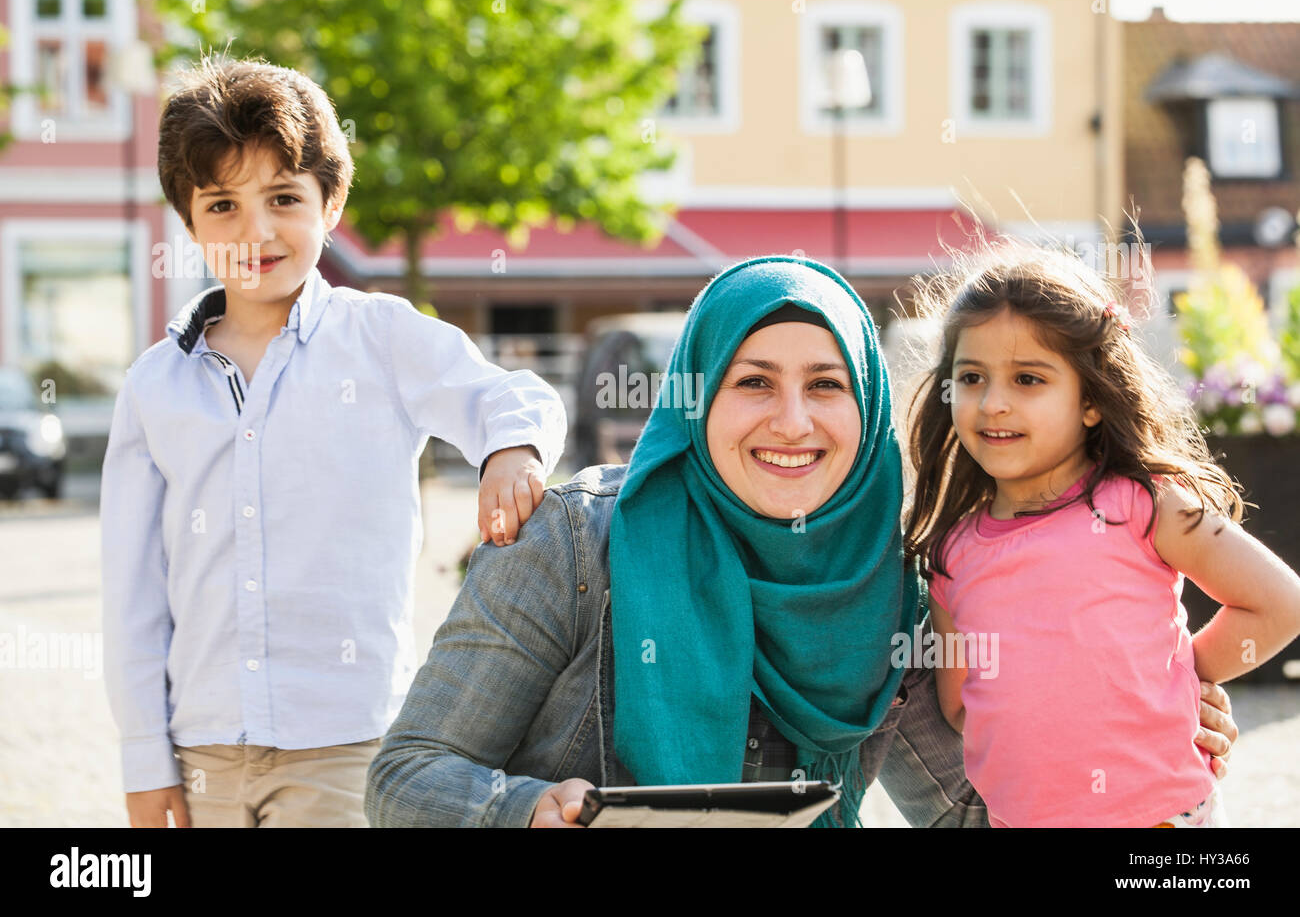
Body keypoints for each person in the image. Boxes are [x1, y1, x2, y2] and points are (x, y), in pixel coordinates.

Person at [365, 255, 1238, 828]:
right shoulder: (572, 547)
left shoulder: (894, 582)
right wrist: (524, 809)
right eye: (753, 383)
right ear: (697, 396)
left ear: (865, 404)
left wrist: (1127, 734)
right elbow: (406, 776)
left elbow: (964, 807)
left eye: (826, 385)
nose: (793, 421)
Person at [100, 55, 567, 828]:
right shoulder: (154, 387)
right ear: (187, 222)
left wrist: (509, 451)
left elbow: (508, 395)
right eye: (222, 207)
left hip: (347, 744)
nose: (257, 231)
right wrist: (145, 758)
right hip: (202, 749)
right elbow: (133, 590)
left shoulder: (379, 337)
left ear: (331, 202)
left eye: (284, 198)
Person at [904, 241, 1300, 827]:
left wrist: (1183, 674)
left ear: (1091, 400)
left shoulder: (1144, 503)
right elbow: (962, 706)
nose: (993, 403)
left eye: (1028, 379)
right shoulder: (952, 554)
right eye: (971, 377)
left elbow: (1280, 604)